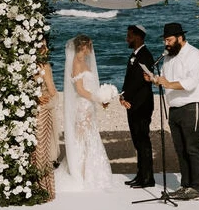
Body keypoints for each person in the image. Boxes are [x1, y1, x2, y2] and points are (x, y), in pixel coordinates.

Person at [151, 23, 199, 201]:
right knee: (180, 148)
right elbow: (165, 78)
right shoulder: (169, 57)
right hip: (174, 107)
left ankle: (198, 187)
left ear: (179, 37)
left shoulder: (194, 55)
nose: (166, 43)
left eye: (169, 40)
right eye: (165, 40)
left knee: (192, 147)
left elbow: (190, 83)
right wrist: (154, 79)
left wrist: (167, 83)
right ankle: (185, 186)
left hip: (193, 105)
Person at [55, 34, 113, 191]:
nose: (91, 48)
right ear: (84, 46)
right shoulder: (77, 63)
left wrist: (100, 97)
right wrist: (97, 98)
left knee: (89, 137)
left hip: (89, 105)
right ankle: (79, 173)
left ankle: (87, 172)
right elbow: (80, 90)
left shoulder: (84, 61)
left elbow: (89, 87)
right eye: (90, 45)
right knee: (82, 139)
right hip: (83, 106)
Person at [119, 24, 156, 188]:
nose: (127, 39)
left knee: (143, 141)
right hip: (133, 105)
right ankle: (141, 175)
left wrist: (131, 100)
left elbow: (141, 83)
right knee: (137, 142)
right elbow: (129, 80)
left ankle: (148, 178)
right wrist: (122, 95)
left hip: (141, 105)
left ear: (138, 37)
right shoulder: (134, 55)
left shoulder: (146, 56)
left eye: (130, 35)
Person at [31, 39, 59, 200]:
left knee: (35, 150)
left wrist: (36, 96)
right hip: (44, 111)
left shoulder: (29, 67)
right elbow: (52, 90)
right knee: (44, 150)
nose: (46, 49)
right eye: (43, 46)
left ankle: (36, 186)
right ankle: (46, 188)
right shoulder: (44, 67)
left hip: (34, 110)